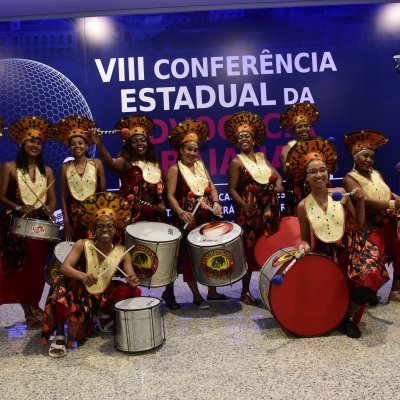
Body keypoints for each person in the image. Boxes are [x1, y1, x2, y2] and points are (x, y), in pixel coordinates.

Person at [288, 136, 389, 338]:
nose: (319, 175)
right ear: (305, 176)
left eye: (322, 170)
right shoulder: (302, 206)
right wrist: (303, 245)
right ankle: (338, 315)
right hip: (328, 254)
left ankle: (348, 318)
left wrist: (360, 201)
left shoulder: (341, 193)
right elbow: (305, 238)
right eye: (313, 171)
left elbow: (359, 224)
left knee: (370, 277)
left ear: (328, 172)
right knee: (334, 290)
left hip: (355, 248)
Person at [91, 115, 178, 307]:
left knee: (166, 253)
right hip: (132, 217)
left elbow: (160, 189)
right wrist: (100, 144)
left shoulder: (155, 165)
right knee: (122, 256)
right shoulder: (126, 162)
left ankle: (169, 293)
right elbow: (111, 164)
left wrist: (163, 203)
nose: (140, 143)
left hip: (155, 216)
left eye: (143, 140)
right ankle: (111, 296)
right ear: (129, 144)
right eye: (135, 141)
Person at [41, 192, 141, 358]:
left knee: (133, 292)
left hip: (104, 294)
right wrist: (82, 276)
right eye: (100, 226)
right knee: (62, 283)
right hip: (83, 294)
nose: (105, 229)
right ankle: (59, 335)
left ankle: (104, 316)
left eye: (109, 226)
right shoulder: (82, 244)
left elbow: (131, 277)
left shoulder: (122, 252)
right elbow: (64, 268)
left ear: (116, 229)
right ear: (93, 229)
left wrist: (133, 281)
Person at [0, 116, 57, 327]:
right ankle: (27, 310)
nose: (35, 145)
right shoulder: (9, 167)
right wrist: (17, 207)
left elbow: (52, 199)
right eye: (31, 141)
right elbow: (1, 196)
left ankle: (36, 304)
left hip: (40, 227)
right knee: (21, 270)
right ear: (22, 143)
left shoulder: (48, 171)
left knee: (37, 269)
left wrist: (49, 208)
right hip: (17, 226)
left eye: (39, 142)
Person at [166, 119, 227, 309]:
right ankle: (196, 296)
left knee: (209, 253)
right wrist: (181, 212)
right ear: (181, 150)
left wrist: (216, 202)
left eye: (195, 149)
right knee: (191, 257)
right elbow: (170, 195)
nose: (193, 153)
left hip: (207, 217)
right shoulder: (175, 169)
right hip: (188, 219)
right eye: (189, 149)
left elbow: (212, 187)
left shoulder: (201, 166)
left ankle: (212, 291)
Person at [226, 111, 283, 305]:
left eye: (247, 136)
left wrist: (278, 184)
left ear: (253, 139)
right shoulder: (236, 162)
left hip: (269, 209)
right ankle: (244, 292)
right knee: (248, 251)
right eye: (240, 137)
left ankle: (271, 286)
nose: (243, 139)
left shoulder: (262, 158)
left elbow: (277, 176)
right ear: (236, 142)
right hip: (249, 212)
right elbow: (232, 189)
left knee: (269, 247)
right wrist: (245, 206)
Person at [342, 130, 400, 302]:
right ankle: (368, 293)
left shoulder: (376, 173)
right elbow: (365, 201)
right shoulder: (349, 178)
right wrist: (392, 204)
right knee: (374, 258)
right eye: (365, 156)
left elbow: (386, 191)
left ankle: (396, 291)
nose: (368, 160)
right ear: (355, 156)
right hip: (368, 225)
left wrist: (396, 198)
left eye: (371, 157)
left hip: (388, 221)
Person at [56, 115, 106, 241]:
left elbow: (103, 191)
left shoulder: (96, 163)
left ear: (86, 145)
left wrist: (102, 217)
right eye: (72, 144)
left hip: (94, 214)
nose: (76, 146)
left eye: (80, 143)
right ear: (69, 147)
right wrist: (66, 222)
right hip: (74, 217)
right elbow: (62, 195)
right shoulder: (65, 167)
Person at [279, 103, 319, 215]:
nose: (303, 129)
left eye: (306, 125)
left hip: (316, 189)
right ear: (294, 130)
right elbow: (286, 173)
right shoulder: (288, 148)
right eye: (299, 126)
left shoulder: (316, 145)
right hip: (297, 191)